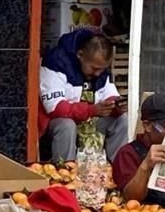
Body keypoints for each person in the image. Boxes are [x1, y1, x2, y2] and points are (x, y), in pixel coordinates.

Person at [39, 30, 129, 163]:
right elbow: (55, 108)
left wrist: (115, 106)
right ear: (80, 55)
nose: (98, 74)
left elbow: (109, 94)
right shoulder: (56, 61)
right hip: (55, 123)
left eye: (102, 70)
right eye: (94, 68)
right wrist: (91, 110)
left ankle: (117, 170)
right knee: (67, 125)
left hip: (90, 121)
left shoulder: (100, 70)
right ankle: (66, 171)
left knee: (122, 120)